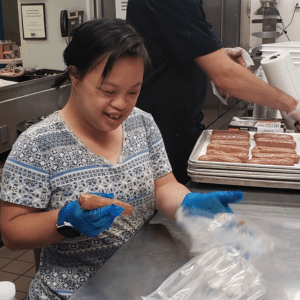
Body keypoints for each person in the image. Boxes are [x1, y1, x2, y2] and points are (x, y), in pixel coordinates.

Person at [0, 19, 243, 300]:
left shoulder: (143, 124)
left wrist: (188, 203)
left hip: (137, 284)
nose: (121, 104)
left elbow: (163, 186)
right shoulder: (37, 144)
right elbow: (12, 231)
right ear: (75, 76)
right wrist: (66, 221)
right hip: (70, 292)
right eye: (108, 91)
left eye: (133, 91)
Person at [126, 0, 300, 184]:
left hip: (179, 120)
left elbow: (169, 46)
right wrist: (292, 106)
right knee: (168, 196)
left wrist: (216, 55)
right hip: (160, 127)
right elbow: (226, 76)